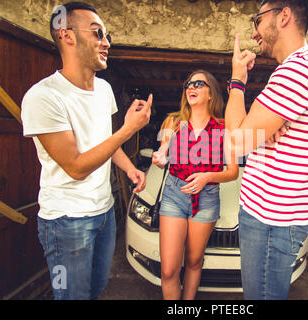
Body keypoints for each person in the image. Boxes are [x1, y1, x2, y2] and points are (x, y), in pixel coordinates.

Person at [21, 2, 151, 300]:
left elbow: (104, 141)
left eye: (106, 36)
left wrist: (129, 169)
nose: (106, 42)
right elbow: (77, 166)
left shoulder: (104, 90)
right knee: (70, 295)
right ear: (67, 35)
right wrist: (129, 129)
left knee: (96, 290)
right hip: (66, 222)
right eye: (97, 33)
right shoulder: (44, 97)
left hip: (103, 212)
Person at [225, 0, 308, 299]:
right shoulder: (302, 69)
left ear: (284, 15)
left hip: (271, 220)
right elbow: (249, 134)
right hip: (272, 215)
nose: (254, 34)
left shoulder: (299, 70)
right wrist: (260, 130)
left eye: (258, 20)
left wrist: (237, 80)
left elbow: (236, 142)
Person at [152, 70, 239, 300]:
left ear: (211, 93)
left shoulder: (223, 128)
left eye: (199, 84)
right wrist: (160, 158)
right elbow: (163, 155)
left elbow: (232, 172)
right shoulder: (174, 122)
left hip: (206, 198)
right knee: (169, 269)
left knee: (193, 261)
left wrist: (206, 177)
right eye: (189, 84)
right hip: (174, 193)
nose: (192, 87)